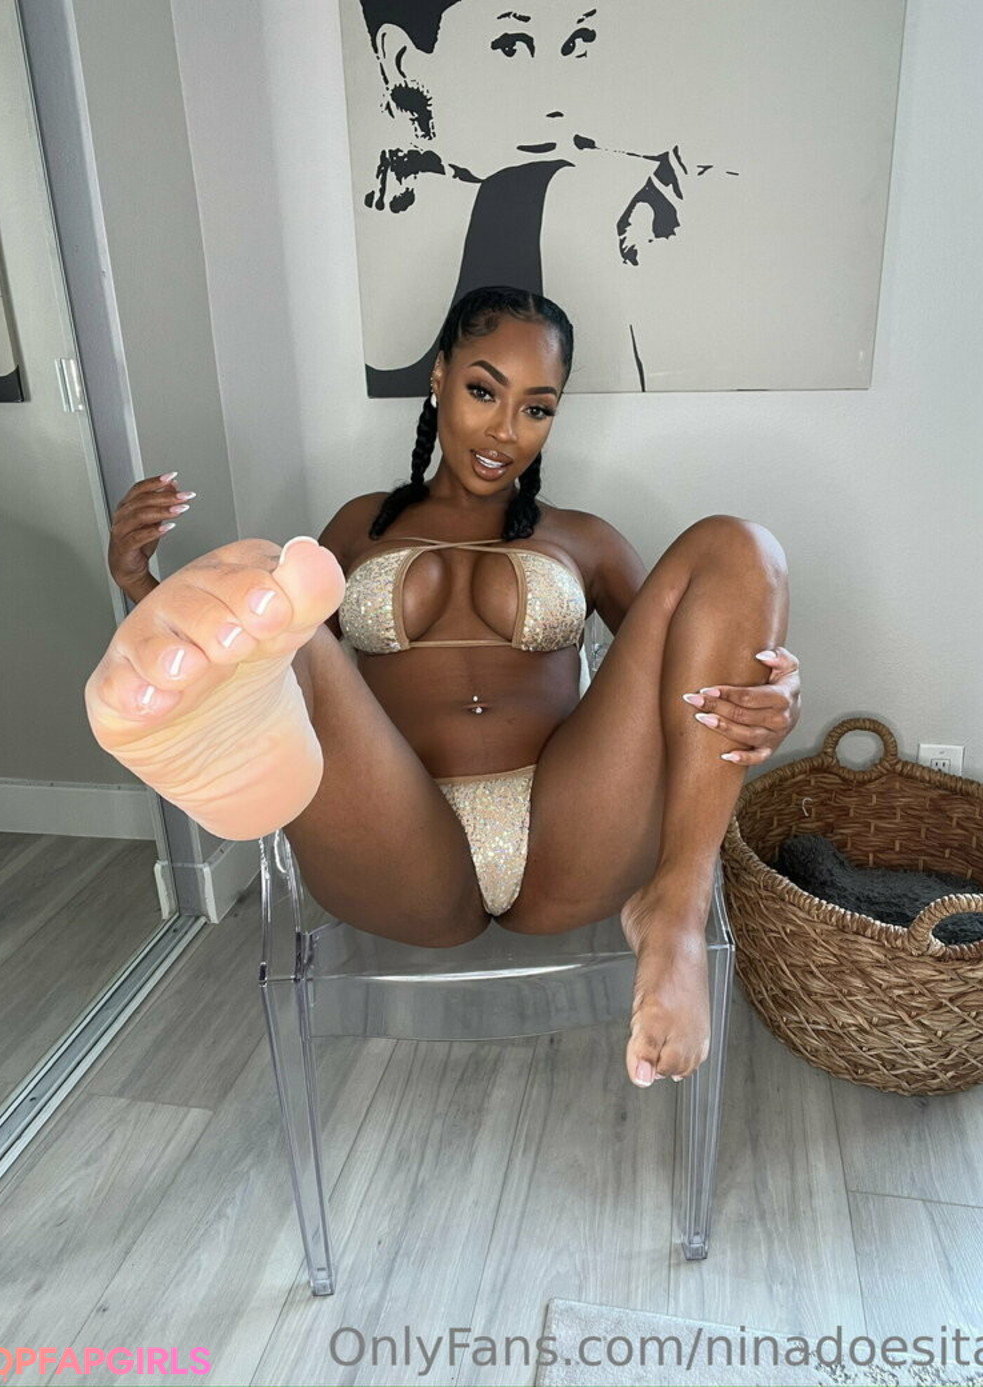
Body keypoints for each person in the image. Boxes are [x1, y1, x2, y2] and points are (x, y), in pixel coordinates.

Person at [91, 285, 799, 1088]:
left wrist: (773, 691)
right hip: (398, 835)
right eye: (483, 391)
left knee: (741, 546)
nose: (505, 430)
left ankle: (677, 908)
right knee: (284, 607)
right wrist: (140, 583)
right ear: (438, 378)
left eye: (537, 408)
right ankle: (236, 770)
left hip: (572, 830)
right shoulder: (360, 526)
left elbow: (697, 667)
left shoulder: (584, 538)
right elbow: (269, 660)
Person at [352, 0, 698, 394]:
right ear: (402, 61)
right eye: (511, 46)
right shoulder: (350, 225)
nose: (558, 101)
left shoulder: (590, 197)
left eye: (577, 43)